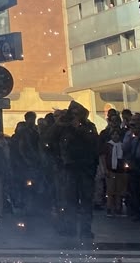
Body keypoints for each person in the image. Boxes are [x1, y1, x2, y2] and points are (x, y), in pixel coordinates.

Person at [43, 101, 100, 240]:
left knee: (86, 201)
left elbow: (95, 143)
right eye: (72, 113)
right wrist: (58, 124)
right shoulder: (63, 127)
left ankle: (86, 229)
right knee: (69, 201)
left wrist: (80, 128)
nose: (74, 116)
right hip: (68, 168)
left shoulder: (89, 127)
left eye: (76, 114)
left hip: (85, 169)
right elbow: (46, 139)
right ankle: (70, 228)